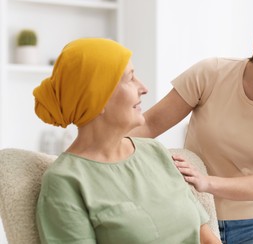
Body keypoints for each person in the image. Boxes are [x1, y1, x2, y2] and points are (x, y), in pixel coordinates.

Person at [129, 0, 253, 243]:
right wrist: (94, 147)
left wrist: (206, 182)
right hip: (194, 218)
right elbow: (149, 125)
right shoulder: (211, 73)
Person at [33, 38, 221, 244]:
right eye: (130, 78)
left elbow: (206, 238)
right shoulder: (65, 182)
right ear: (98, 97)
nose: (143, 88)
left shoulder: (155, 152)